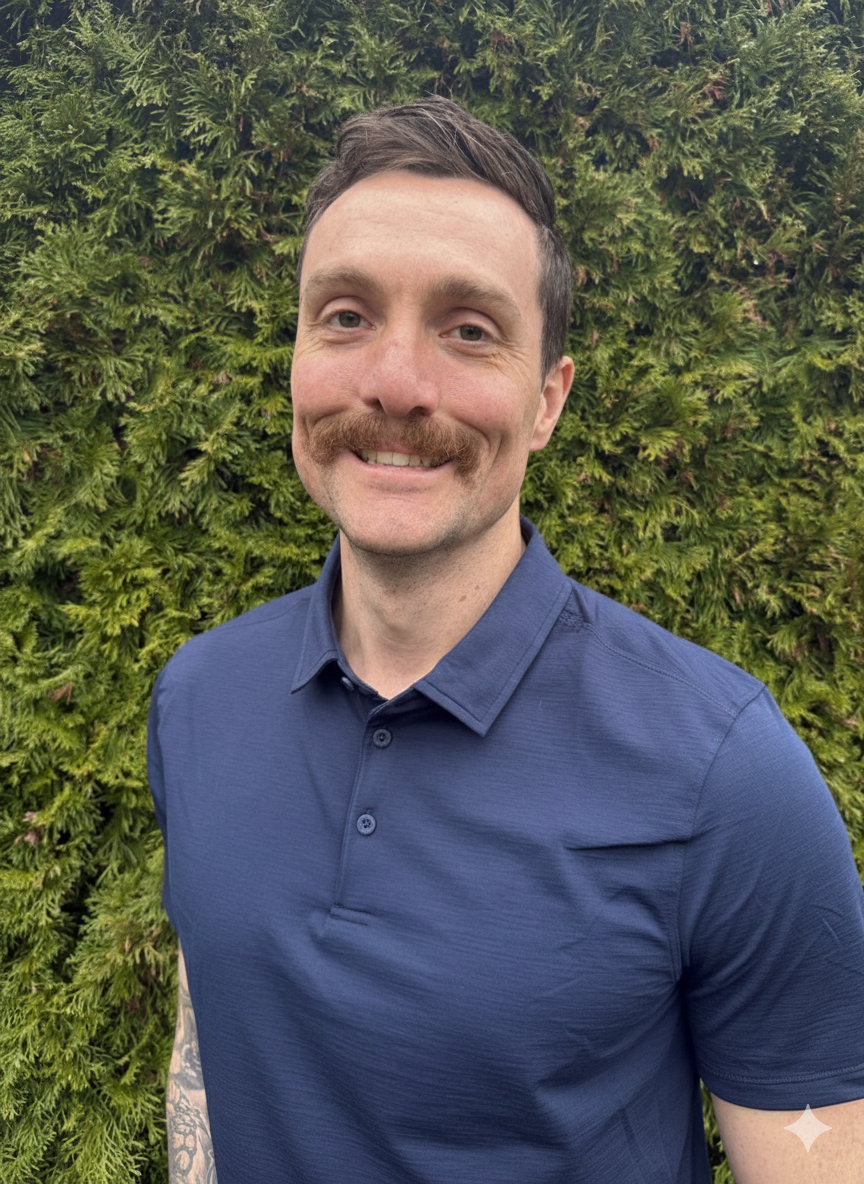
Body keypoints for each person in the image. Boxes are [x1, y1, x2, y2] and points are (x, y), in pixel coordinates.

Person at [148, 95, 864, 1183]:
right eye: (344, 315)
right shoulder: (198, 699)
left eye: (468, 328)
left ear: (547, 399)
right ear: (295, 358)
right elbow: (208, 1045)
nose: (394, 380)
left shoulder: (726, 772)